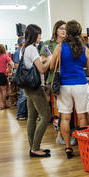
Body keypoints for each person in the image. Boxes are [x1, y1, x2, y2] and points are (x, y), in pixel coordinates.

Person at [50, 20, 89, 158]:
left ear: (67, 32)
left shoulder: (60, 47)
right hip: (81, 84)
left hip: (64, 85)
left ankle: (68, 147)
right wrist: (80, 71)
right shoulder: (85, 49)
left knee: (65, 117)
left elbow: (52, 67)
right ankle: (84, 146)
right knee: (82, 117)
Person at [22, 24, 52, 158]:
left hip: (28, 87)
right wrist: (49, 59)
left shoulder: (25, 48)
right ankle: (35, 148)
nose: (40, 36)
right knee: (46, 115)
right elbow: (42, 69)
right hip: (35, 87)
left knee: (32, 117)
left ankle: (33, 147)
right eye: (39, 34)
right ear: (34, 35)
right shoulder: (32, 49)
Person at [39, 20, 68, 145]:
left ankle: (65, 133)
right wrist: (52, 59)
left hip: (69, 78)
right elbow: (43, 62)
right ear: (56, 29)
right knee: (62, 109)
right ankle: (60, 134)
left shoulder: (69, 44)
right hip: (55, 80)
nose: (63, 31)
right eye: (61, 28)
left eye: (66, 29)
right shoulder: (48, 44)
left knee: (67, 109)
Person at [15, 38, 28, 120]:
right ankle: (20, 114)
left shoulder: (25, 50)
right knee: (23, 95)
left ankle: (24, 113)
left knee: (25, 95)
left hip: (25, 75)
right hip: (22, 76)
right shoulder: (18, 52)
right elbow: (16, 64)